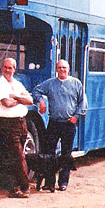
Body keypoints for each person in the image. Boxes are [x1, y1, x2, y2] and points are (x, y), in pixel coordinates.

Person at [32, 59, 87, 192]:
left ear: (68, 69)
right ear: (56, 69)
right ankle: (49, 183)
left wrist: (76, 116)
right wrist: (41, 101)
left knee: (66, 154)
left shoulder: (76, 83)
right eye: (60, 68)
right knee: (49, 154)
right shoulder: (50, 84)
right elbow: (35, 91)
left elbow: (83, 102)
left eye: (64, 68)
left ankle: (63, 182)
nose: (62, 70)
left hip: (69, 123)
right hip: (54, 122)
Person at [0, 58, 33, 198]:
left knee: (18, 156)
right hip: (7, 123)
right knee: (17, 155)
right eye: (5, 67)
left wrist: (15, 96)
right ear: (1, 68)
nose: (8, 70)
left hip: (21, 123)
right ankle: (23, 187)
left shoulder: (17, 84)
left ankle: (17, 187)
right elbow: (6, 103)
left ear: (15, 69)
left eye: (10, 68)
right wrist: (20, 99)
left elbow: (30, 100)